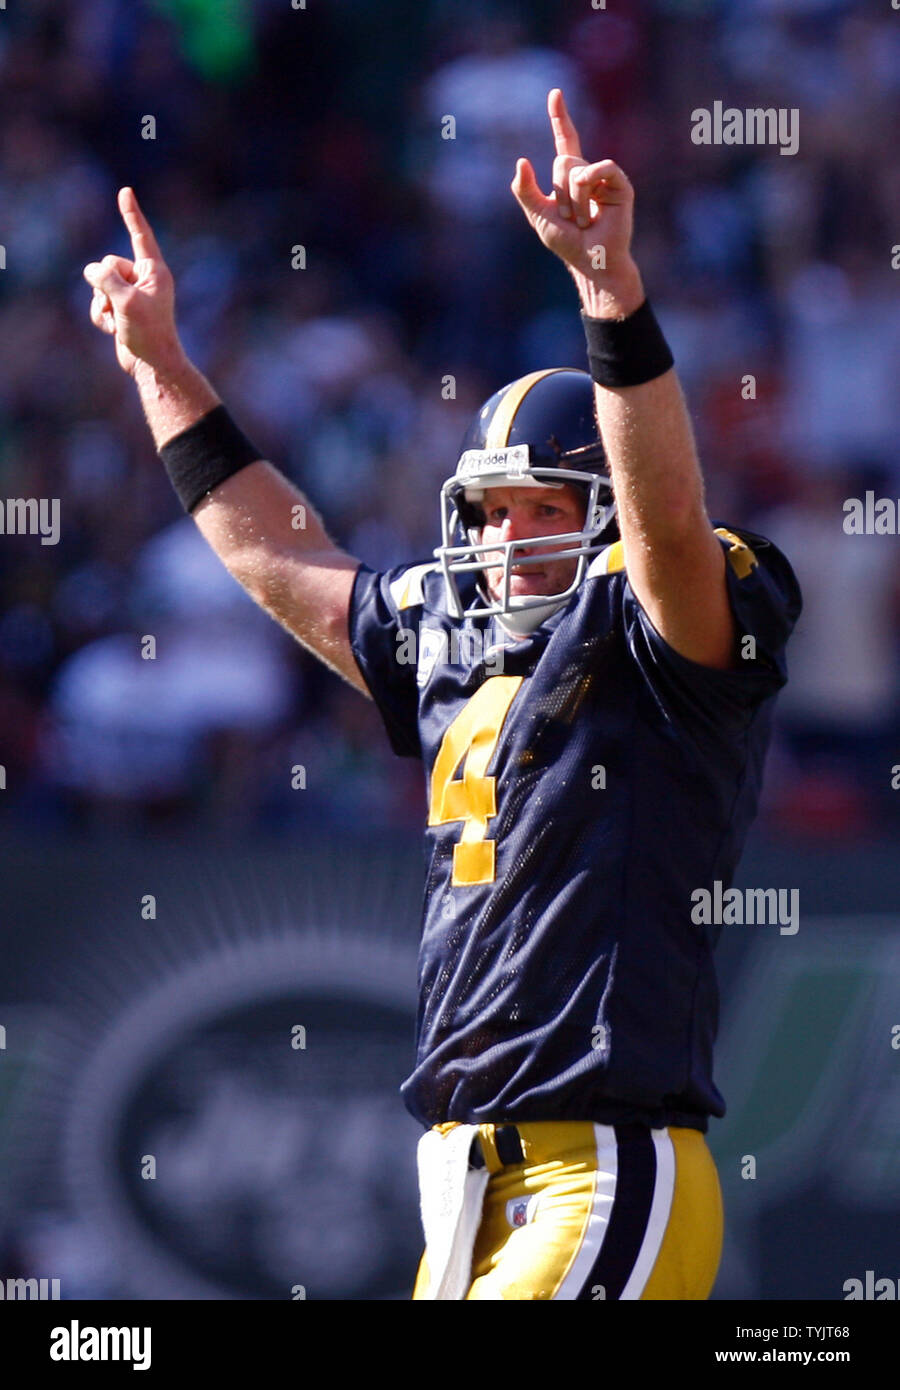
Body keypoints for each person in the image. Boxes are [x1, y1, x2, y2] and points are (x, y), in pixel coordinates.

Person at [84, 88, 801, 1300]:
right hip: (458, 1180)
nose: (512, 537)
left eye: (546, 510)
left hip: (600, 1165)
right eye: (495, 509)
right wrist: (163, 366)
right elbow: (287, 558)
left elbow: (673, 529)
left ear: (604, 515)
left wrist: (609, 298)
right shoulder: (447, 630)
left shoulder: (658, 618)